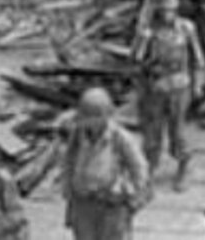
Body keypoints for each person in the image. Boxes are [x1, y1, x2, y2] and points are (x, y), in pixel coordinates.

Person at [132, 0, 205, 191]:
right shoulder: (150, 30)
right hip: (155, 86)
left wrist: (198, 85)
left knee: (177, 131)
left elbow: (198, 59)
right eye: (163, 9)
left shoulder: (186, 28)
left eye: (169, 8)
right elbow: (136, 59)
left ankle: (184, 165)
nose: (166, 13)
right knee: (152, 133)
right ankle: (147, 170)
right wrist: (142, 39)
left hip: (179, 85)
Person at [63, 87, 149, 240]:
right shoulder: (77, 135)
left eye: (95, 116)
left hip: (111, 204)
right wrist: (69, 191)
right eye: (86, 116)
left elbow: (139, 168)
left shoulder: (120, 138)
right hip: (83, 202)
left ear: (106, 115)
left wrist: (132, 197)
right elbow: (69, 161)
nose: (90, 122)